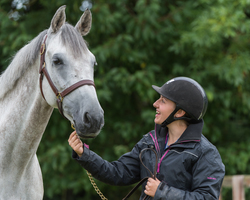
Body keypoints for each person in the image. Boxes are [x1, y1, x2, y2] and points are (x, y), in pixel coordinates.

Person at [68, 77, 225, 199]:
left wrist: (161, 192)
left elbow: (206, 198)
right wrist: (84, 154)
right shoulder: (150, 141)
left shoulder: (206, 153)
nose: (155, 104)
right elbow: (117, 173)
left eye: (163, 101)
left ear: (179, 112)